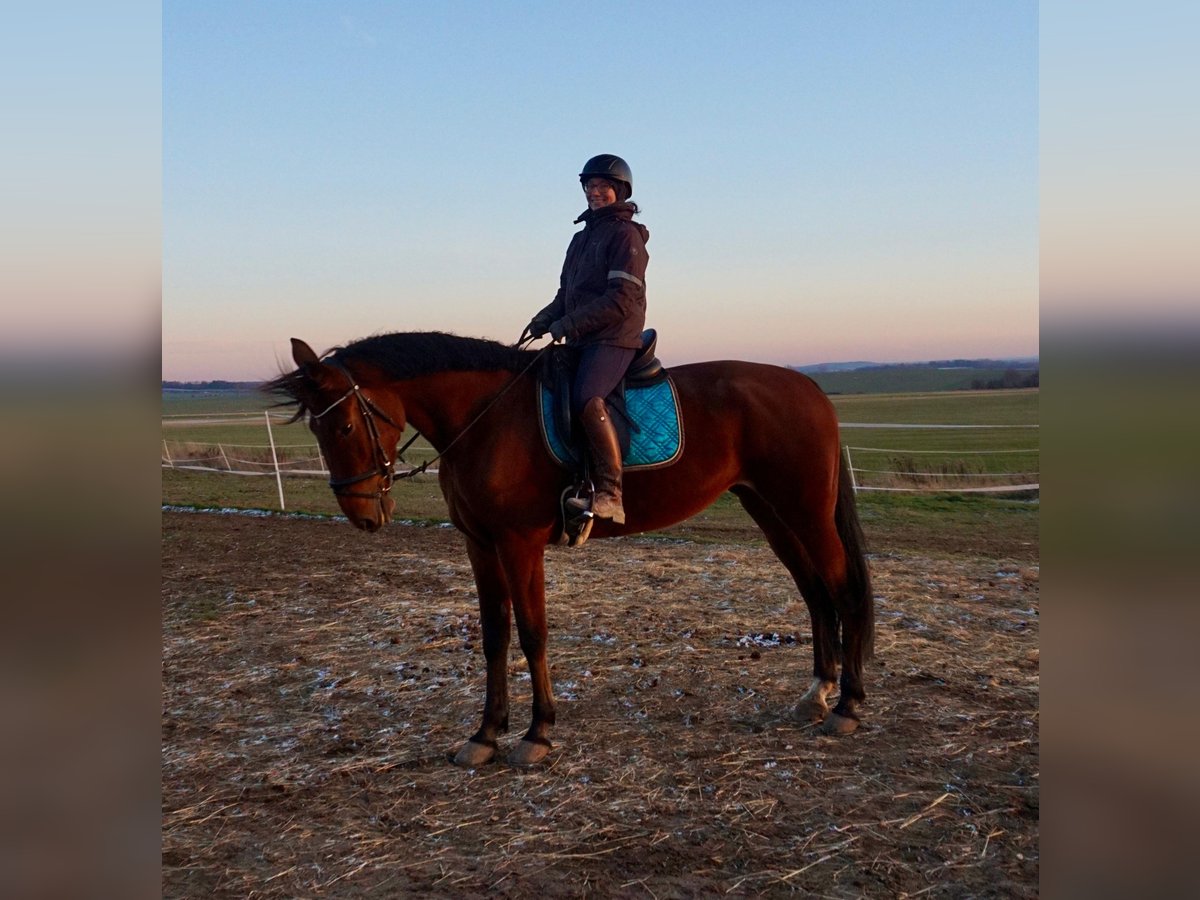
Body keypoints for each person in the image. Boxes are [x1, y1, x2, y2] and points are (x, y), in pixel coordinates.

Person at [526, 154, 649, 525]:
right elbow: (566, 293)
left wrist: (569, 323)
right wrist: (545, 317)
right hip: (582, 337)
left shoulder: (626, 235)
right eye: (590, 186)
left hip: (614, 336)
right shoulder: (580, 239)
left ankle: (611, 492)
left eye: (603, 187)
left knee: (586, 398)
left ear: (620, 191)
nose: (595, 193)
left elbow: (621, 299)